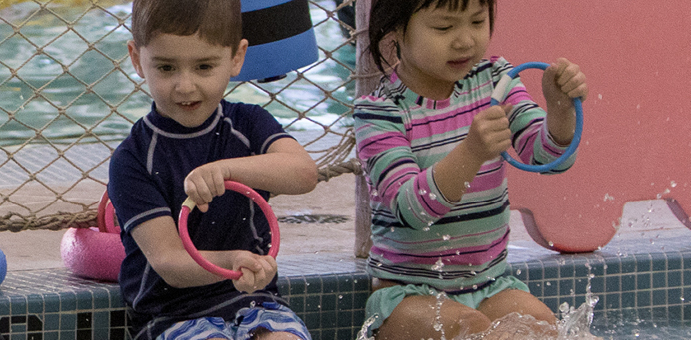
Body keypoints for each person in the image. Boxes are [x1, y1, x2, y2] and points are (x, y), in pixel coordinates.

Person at [353, 0, 588, 338]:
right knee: (471, 329)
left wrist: (561, 110)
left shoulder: (495, 80)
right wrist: (472, 151)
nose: (465, 40)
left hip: (491, 284)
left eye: (477, 22)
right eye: (444, 28)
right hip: (408, 293)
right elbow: (412, 209)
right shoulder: (380, 112)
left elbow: (548, 159)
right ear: (396, 32)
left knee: (544, 327)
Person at [107, 0, 322, 339]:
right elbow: (169, 263)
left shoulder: (249, 124)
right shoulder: (132, 159)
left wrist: (226, 170)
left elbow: (303, 173)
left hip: (256, 304)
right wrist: (233, 261)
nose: (185, 86)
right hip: (172, 317)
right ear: (137, 59)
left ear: (236, 58)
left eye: (204, 66)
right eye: (165, 68)